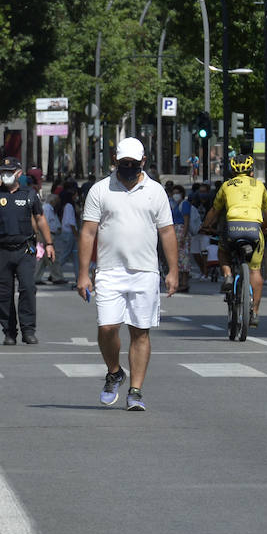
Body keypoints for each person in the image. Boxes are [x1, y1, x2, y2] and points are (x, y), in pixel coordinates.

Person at [77, 138, 178, 412]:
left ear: (143, 161)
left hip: (145, 271)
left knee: (140, 332)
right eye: (124, 163)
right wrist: (83, 274)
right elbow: (88, 232)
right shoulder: (100, 190)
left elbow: (167, 231)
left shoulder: (156, 191)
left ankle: (135, 391)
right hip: (109, 270)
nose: (129, 167)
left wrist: (173, 270)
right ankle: (114, 372)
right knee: (107, 327)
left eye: (134, 163)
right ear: (115, 160)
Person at [0, 156, 54, 344]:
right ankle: (9, 332)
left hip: (25, 249)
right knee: (3, 292)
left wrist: (49, 244)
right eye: (3, 172)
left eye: (9, 171)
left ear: (19, 173)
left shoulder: (29, 194)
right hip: (1, 250)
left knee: (28, 288)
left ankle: (28, 330)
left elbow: (40, 219)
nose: (5, 175)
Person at [201, 153, 267, 326]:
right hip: (254, 230)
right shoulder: (260, 186)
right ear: (251, 172)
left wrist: (205, 226)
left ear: (232, 172)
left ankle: (228, 275)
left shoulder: (226, 186)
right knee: (255, 271)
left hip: (233, 229)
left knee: (223, 251)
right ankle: (255, 312)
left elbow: (214, 211)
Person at [34, 184, 66, 285]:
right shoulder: (47, 209)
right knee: (52, 256)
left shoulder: (51, 209)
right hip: (47, 235)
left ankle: (36, 277)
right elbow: (45, 223)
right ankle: (57, 277)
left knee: (43, 259)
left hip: (50, 235)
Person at [56, 185, 80, 282]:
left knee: (75, 256)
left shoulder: (67, 206)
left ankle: (78, 276)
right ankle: (55, 272)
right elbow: (71, 223)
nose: (77, 196)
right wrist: (76, 235)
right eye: (76, 194)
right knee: (65, 255)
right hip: (69, 233)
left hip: (68, 233)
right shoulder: (69, 206)